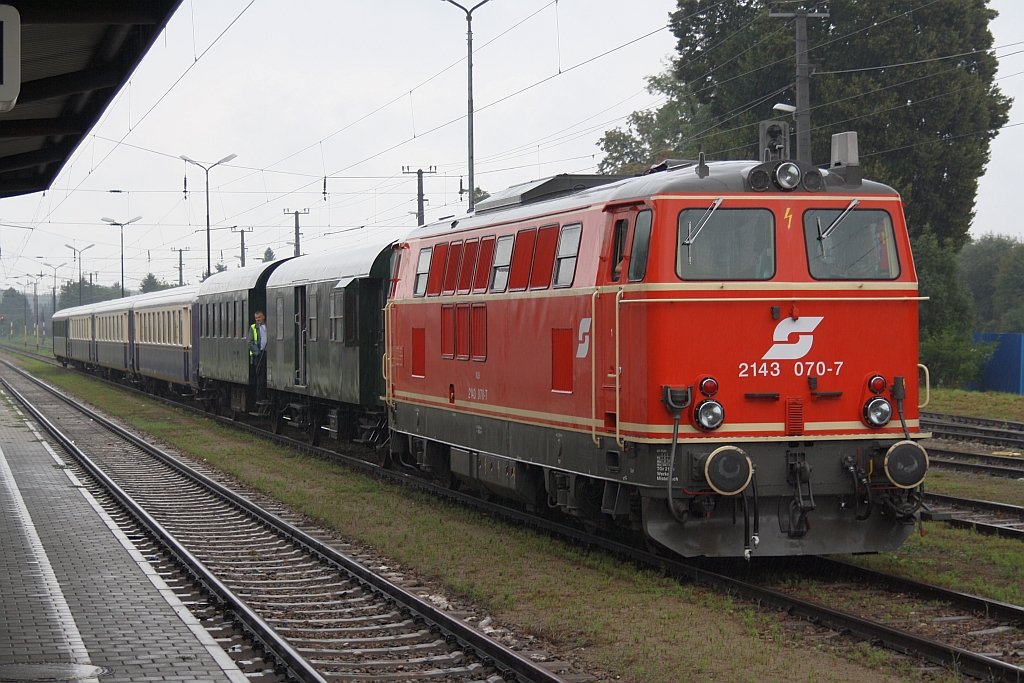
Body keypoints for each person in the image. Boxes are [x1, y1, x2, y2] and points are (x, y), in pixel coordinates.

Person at [249, 311, 268, 403]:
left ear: (263, 317)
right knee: (261, 375)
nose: (258, 319)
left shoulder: (268, 326)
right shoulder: (253, 328)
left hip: (268, 353)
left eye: (259, 317)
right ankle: (260, 396)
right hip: (259, 354)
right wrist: (258, 352)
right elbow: (250, 342)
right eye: (256, 318)